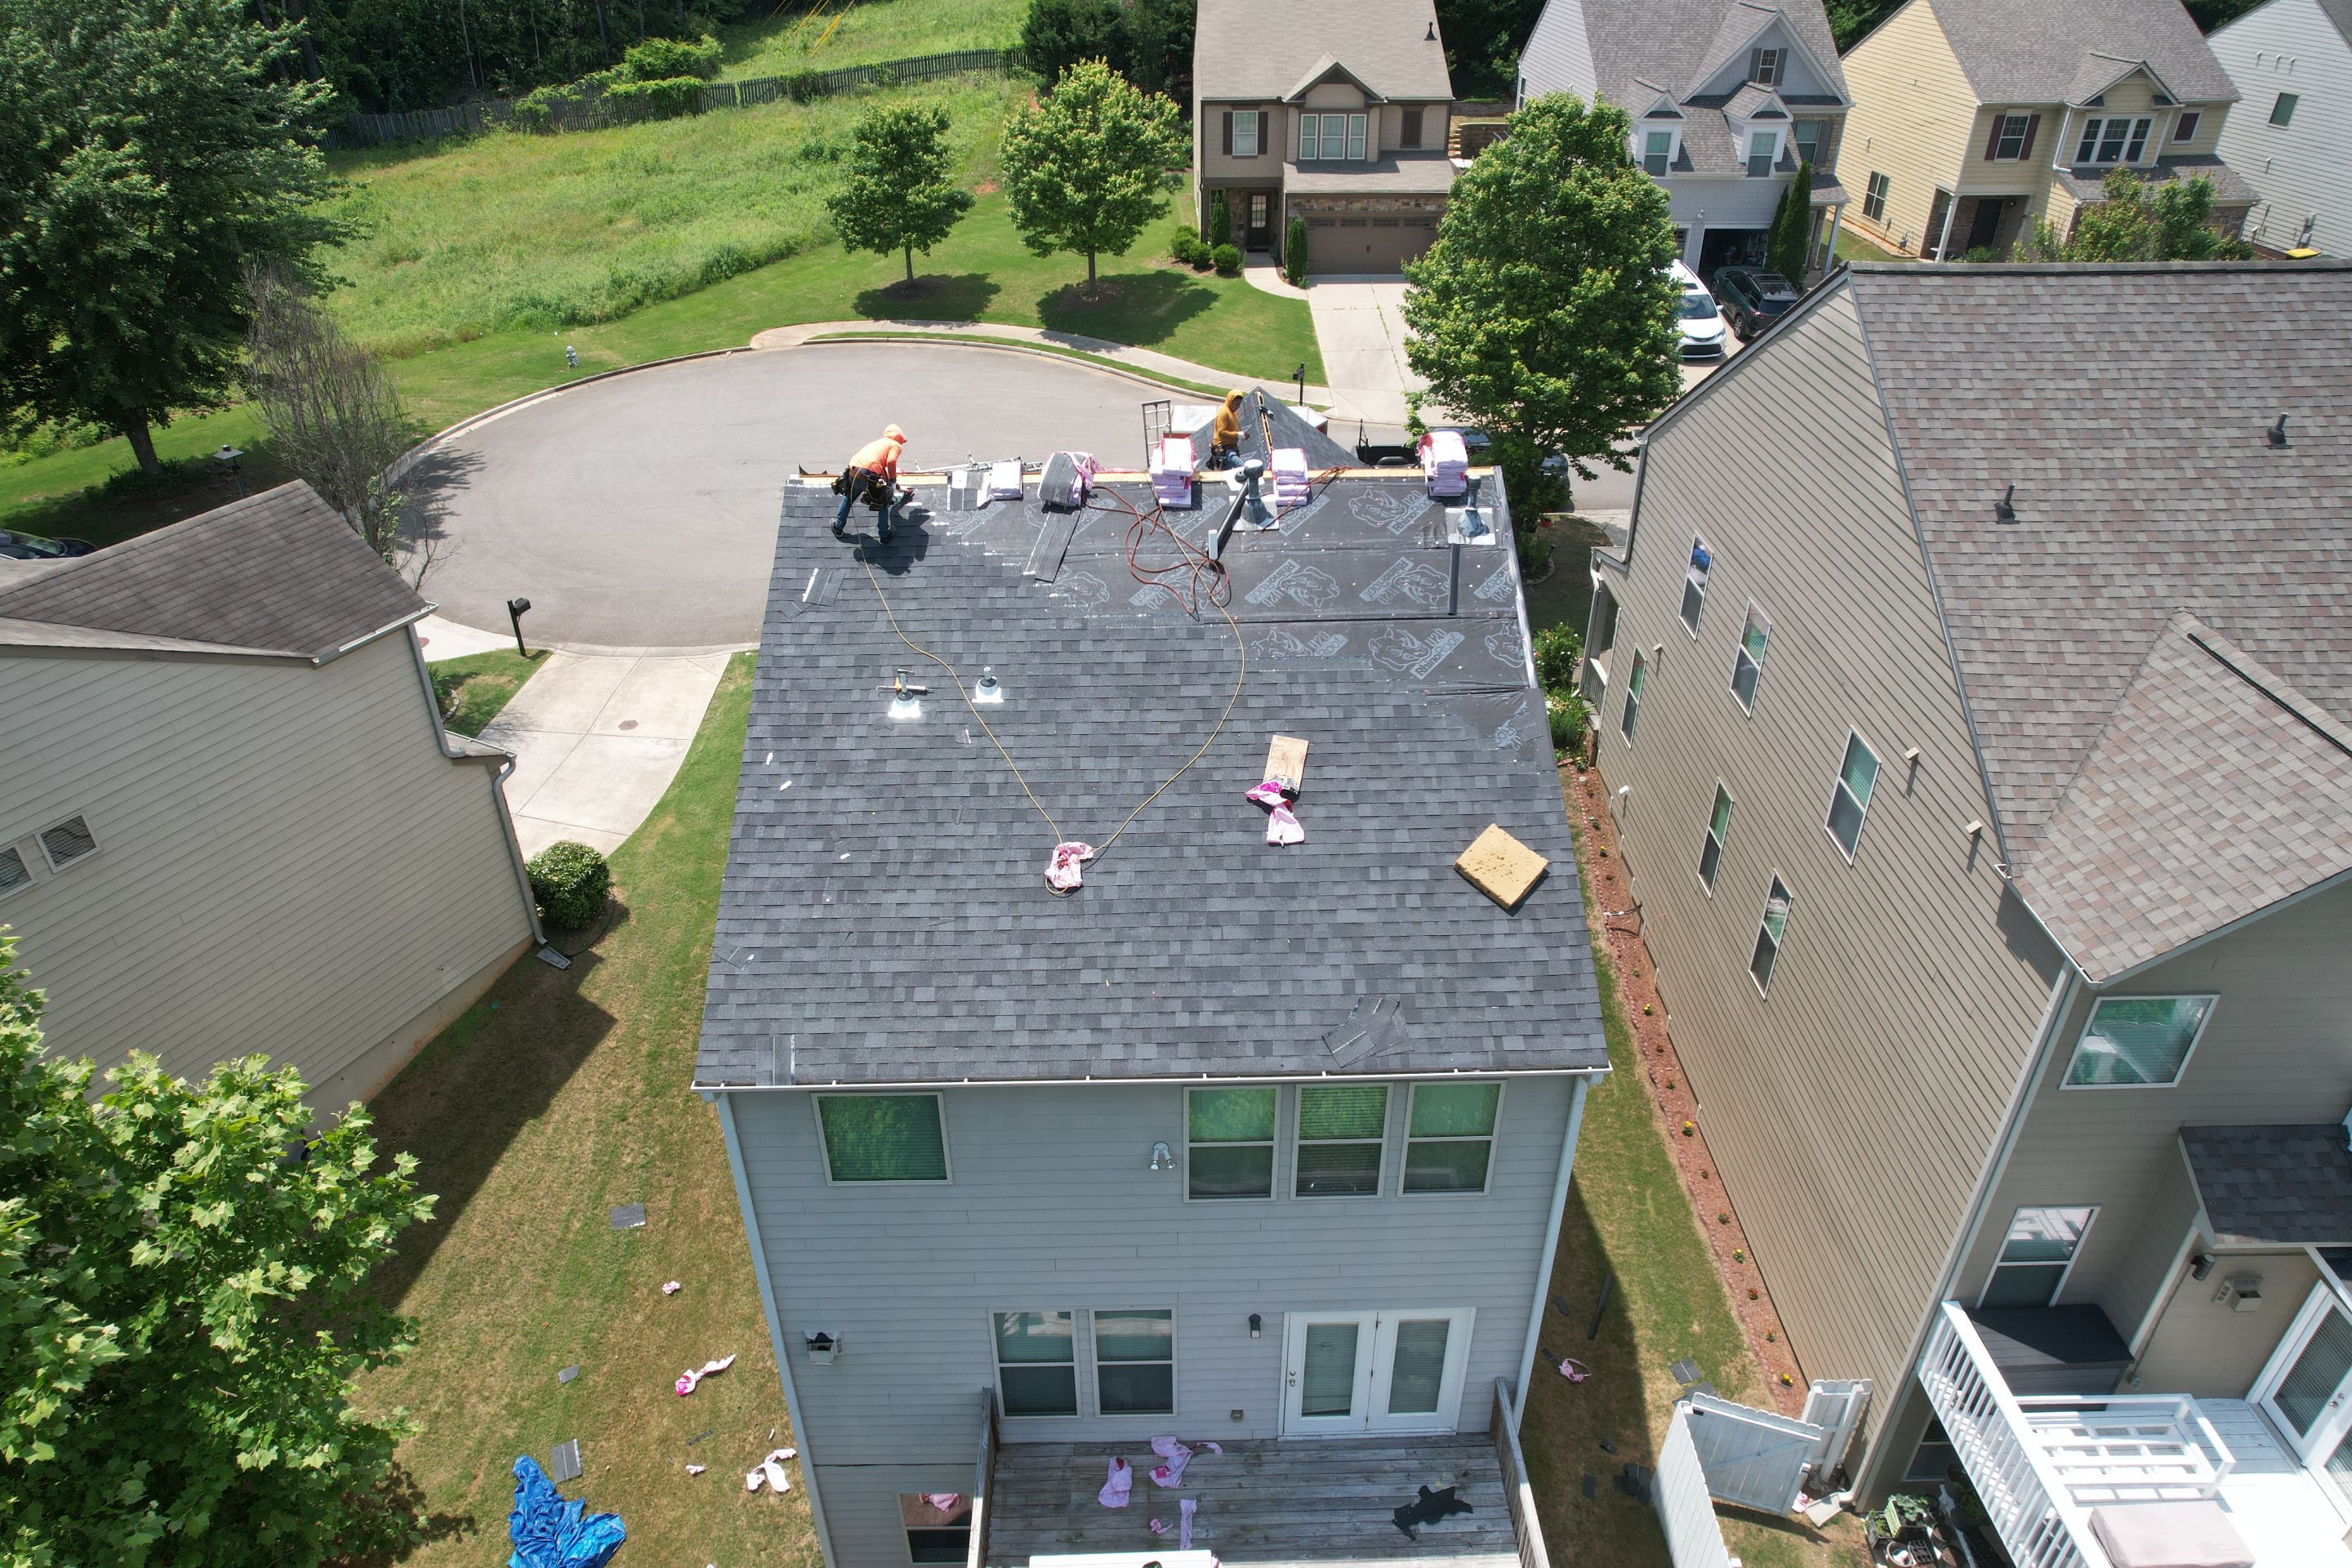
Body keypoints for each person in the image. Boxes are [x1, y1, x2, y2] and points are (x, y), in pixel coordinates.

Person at [834, 423, 908, 541]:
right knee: (883, 502)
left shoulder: (879, 444)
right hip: (869, 474)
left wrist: (898, 487)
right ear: (899, 438)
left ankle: (838, 528)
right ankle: (884, 536)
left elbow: (884, 476)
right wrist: (893, 483)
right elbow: (891, 461)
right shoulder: (895, 445)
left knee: (848, 498)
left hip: (853, 469)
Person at [1208, 390, 1245, 470]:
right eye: (1236, 404)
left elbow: (1232, 429)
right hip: (1224, 450)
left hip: (1232, 448)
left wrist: (1241, 434)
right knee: (1242, 466)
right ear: (1230, 402)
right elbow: (1221, 432)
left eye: (1239, 404)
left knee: (1226, 474)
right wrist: (1237, 435)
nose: (1238, 406)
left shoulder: (1234, 412)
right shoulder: (1223, 413)